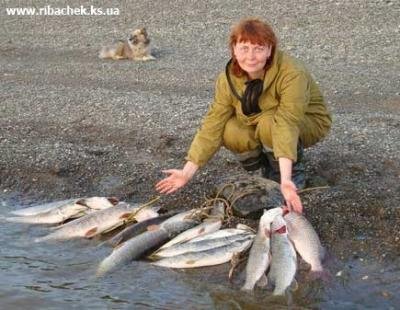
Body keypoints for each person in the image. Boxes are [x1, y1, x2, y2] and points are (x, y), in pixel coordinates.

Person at [156, 18, 332, 214]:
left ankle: (291, 175)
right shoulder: (228, 78)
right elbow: (213, 124)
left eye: (258, 48)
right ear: (233, 49)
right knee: (230, 129)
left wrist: (286, 180)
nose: (251, 56)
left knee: (269, 123)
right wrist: (186, 173)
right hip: (260, 120)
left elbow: (287, 123)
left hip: (307, 121)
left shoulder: (292, 73)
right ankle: (262, 171)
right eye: (244, 48)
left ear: (269, 50)